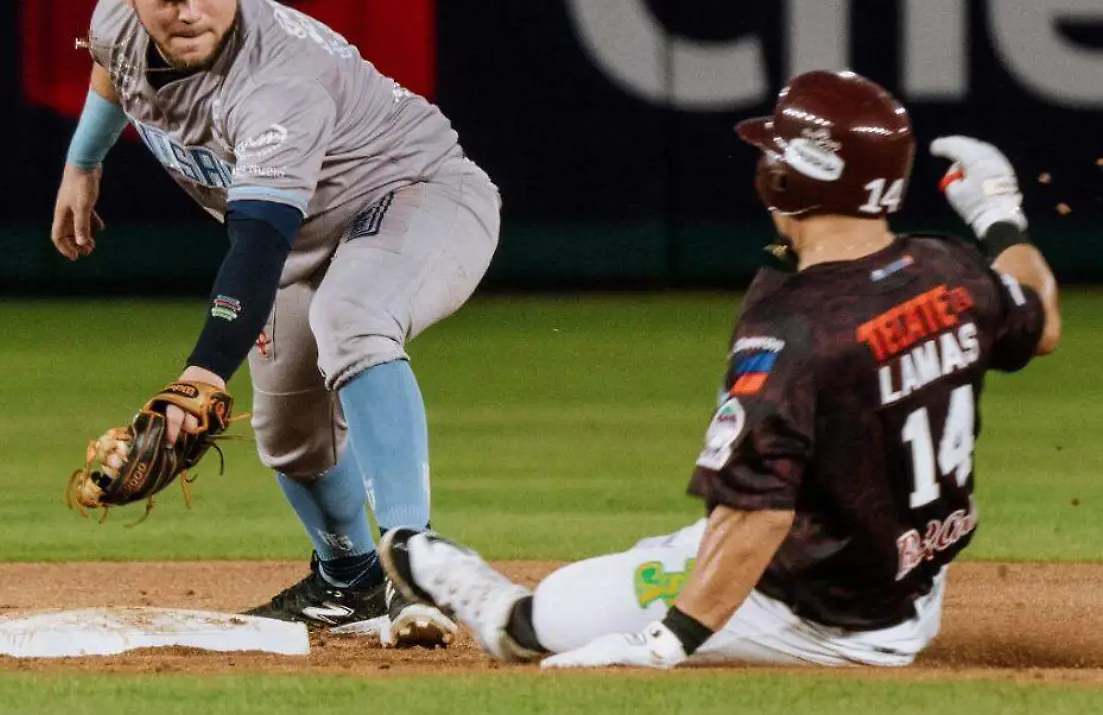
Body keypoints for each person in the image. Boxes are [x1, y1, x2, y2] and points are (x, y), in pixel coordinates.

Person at [381, 69, 1061, 668]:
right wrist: (998, 213)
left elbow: (756, 516)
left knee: (541, 620)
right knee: (709, 538)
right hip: (908, 592)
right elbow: (1041, 319)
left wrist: (667, 643)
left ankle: (487, 600)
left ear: (791, 175)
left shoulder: (795, 327)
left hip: (803, 612)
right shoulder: (951, 270)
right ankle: (675, 563)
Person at [50, 0, 500, 648]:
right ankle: (347, 581)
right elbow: (110, 68)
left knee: (352, 319)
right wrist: (83, 163)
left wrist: (201, 373)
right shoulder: (115, 18)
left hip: (417, 195)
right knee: (290, 431)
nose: (190, 7)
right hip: (304, 234)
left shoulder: (278, 79)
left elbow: (256, 242)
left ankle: (416, 565)